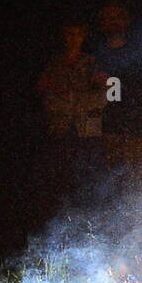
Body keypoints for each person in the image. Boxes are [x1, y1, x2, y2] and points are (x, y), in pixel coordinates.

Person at [37, 21, 107, 199]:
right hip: (60, 129)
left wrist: (72, 100)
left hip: (88, 130)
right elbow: (48, 99)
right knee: (62, 179)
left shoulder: (92, 63)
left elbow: (103, 97)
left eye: (77, 34)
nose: (73, 39)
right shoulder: (53, 65)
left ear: (83, 36)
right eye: (69, 34)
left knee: (90, 178)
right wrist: (76, 101)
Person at [94, 1, 142, 190]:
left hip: (138, 124)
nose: (114, 22)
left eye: (117, 17)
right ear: (102, 23)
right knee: (114, 178)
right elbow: (106, 92)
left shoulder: (137, 49)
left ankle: (141, 215)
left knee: (139, 180)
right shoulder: (98, 53)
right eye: (109, 18)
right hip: (110, 126)